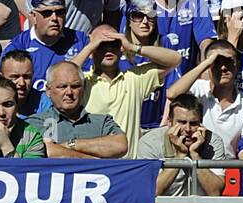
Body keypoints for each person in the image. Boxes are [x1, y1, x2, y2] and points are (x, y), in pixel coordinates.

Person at [76, 22, 183, 154]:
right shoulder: (81, 81)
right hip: (92, 163)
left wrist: (132, 47)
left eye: (114, 43)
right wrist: (89, 48)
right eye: (101, 45)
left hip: (128, 164)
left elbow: (175, 59)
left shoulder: (135, 78)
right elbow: (60, 75)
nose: (109, 49)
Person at [165, 39, 243, 155]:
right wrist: (206, 63)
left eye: (229, 62)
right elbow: (172, 94)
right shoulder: (197, 89)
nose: (223, 68)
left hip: (228, 164)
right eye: (217, 62)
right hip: (193, 159)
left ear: (238, 64)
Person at [25, 60, 127, 159]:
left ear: (84, 88)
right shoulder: (34, 124)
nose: (69, 92)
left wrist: (71, 144)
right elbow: (46, 152)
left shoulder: (102, 123)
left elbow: (120, 145)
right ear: (48, 90)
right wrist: (89, 159)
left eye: (75, 86)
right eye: (62, 87)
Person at [137, 93, 228, 196]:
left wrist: (195, 155)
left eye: (193, 123)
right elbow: (152, 191)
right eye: (182, 122)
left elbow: (215, 192)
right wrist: (180, 156)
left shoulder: (213, 142)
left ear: (201, 123)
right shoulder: (150, 142)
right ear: (169, 122)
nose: (188, 129)